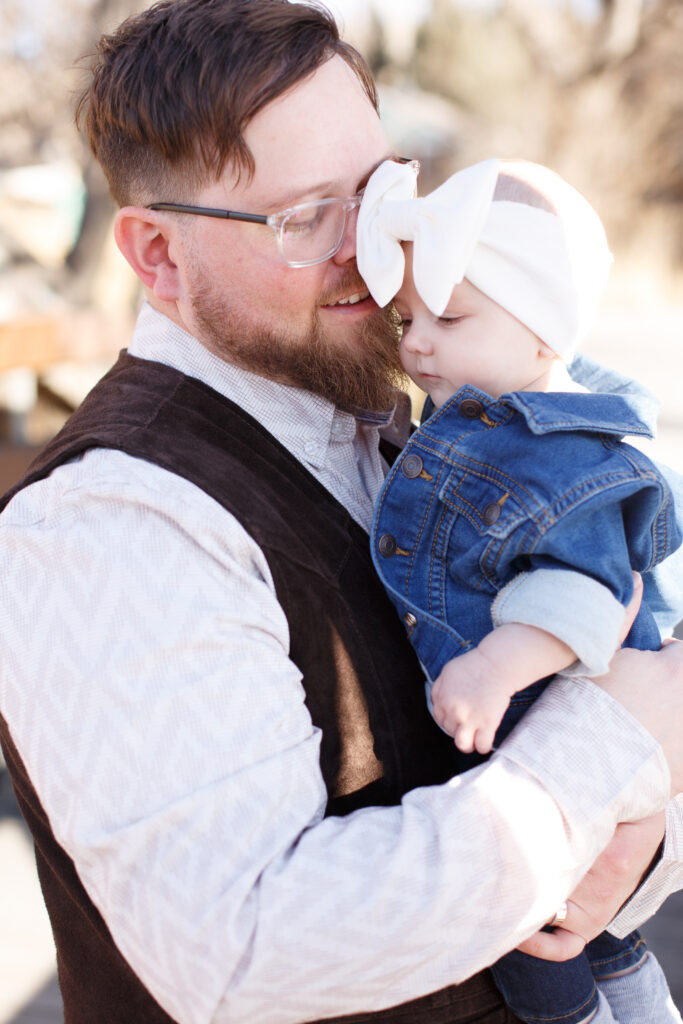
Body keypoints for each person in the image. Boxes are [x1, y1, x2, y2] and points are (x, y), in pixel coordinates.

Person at [1, 3, 683, 1023]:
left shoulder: (403, 412)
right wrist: (616, 739)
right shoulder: (107, 525)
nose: (370, 247)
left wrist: (633, 829)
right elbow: (240, 954)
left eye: (378, 194)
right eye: (303, 217)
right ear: (155, 255)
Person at [358, 158, 683, 1023]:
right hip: (549, 751)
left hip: (561, 743)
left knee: (536, 953)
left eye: (450, 317)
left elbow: (588, 594)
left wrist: (497, 666)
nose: (416, 342)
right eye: (405, 318)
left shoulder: (567, 457)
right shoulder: (477, 423)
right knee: (600, 937)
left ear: (544, 334)